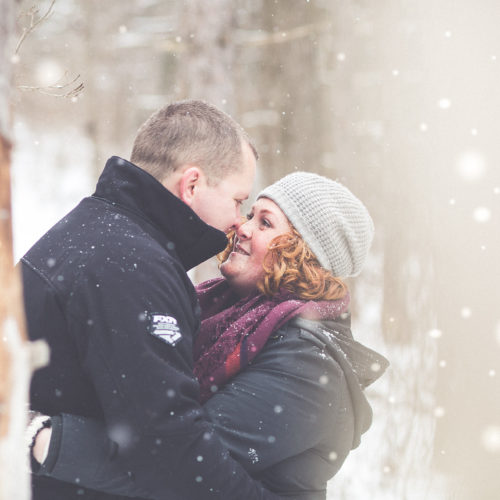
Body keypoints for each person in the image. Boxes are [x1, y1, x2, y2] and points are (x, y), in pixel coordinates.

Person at [29, 172, 389, 499]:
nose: (242, 228)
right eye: (250, 215)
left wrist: (44, 438)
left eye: (265, 223)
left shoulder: (309, 369)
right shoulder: (218, 308)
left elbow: (180, 460)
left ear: (303, 256)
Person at [21, 100, 288, 500]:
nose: (238, 221)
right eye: (237, 200)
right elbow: (168, 445)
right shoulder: (129, 266)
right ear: (192, 184)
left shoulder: (100, 232)